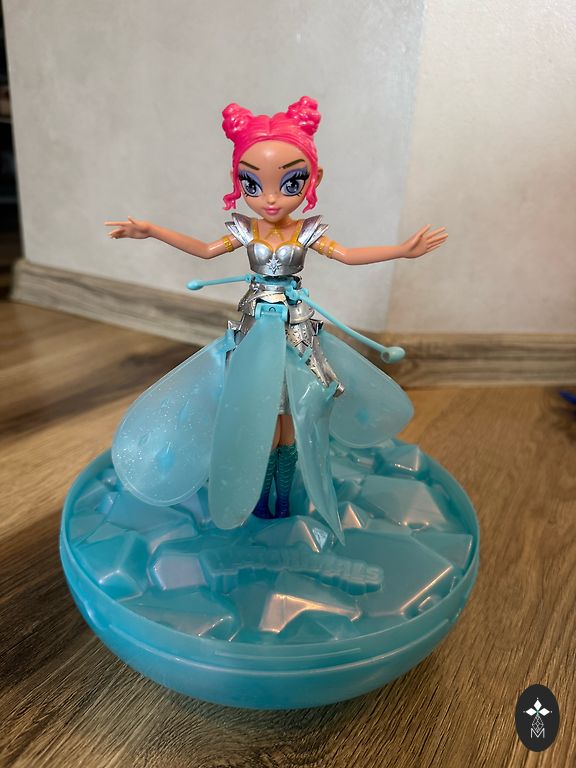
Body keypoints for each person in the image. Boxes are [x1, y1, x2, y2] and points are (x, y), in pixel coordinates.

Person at [106, 96, 447, 540]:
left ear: (313, 179)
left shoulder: (306, 232)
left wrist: (401, 251)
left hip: (295, 330)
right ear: (238, 181)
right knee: (259, 414)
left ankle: (282, 499)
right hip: (254, 327)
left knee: (290, 420)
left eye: (290, 182)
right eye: (252, 183)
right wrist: (151, 231)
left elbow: (347, 255)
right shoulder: (245, 230)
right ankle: (254, 498)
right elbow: (205, 250)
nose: (269, 198)